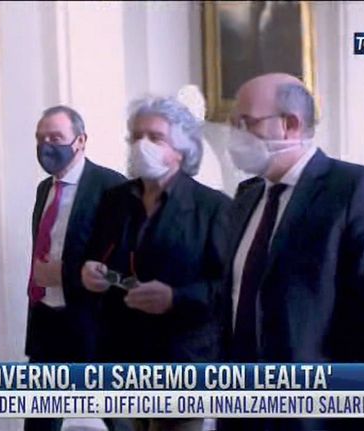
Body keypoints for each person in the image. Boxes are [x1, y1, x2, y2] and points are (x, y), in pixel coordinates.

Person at [219, 73, 364, 431]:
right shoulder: (247, 197)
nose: (235, 135)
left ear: (290, 124)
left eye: (245, 123)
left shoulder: (357, 189)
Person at [82, 96, 231, 431]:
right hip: (123, 353)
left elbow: (228, 288)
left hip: (183, 357)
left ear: (181, 149)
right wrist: (91, 272)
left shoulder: (214, 208)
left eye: (155, 137)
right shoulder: (116, 200)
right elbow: (98, 255)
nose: (142, 145)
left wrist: (175, 298)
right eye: (136, 136)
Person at [25, 105, 125, 431]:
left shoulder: (112, 187)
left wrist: (66, 273)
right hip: (46, 319)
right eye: (40, 138)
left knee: (119, 419)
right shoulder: (45, 189)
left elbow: (121, 264)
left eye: (56, 138)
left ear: (80, 140)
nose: (46, 146)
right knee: (40, 421)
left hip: (93, 324)